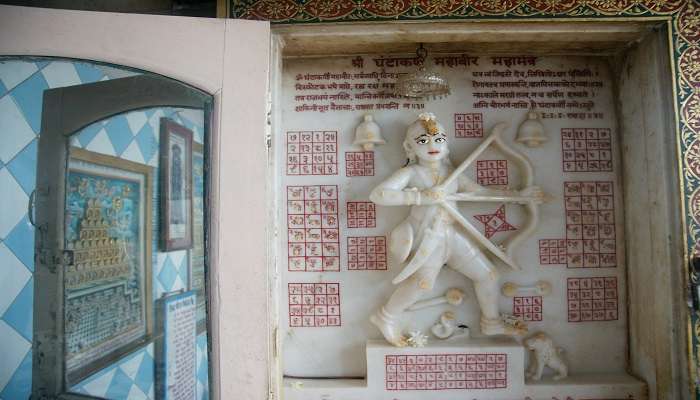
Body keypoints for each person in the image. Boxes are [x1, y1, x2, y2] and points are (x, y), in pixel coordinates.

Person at [369, 112, 542, 347]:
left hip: (451, 236)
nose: (432, 145)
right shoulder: (411, 174)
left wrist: (517, 196)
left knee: (488, 275)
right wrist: (421, 197)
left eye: (438, 139)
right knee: (422, 284)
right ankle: (385, 317)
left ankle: (491, 322)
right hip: (428, 239)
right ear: (409, 147)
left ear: (446, 144)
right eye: (423, 141)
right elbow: (379, 195)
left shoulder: (453, 175)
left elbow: (480, 193)